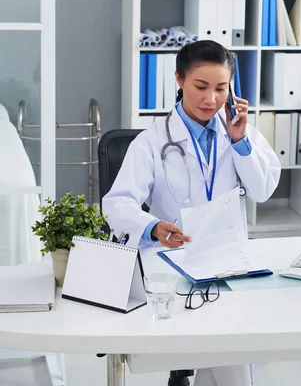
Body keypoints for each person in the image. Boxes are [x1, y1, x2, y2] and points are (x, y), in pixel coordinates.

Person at [103, 40, 281, 386]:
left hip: (227, 262)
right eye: (201, 87)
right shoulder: (152, 142)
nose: (211, 100)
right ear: (179, 80)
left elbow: (262, 191)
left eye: (220, 89)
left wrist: (242, 143)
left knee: (229, 350)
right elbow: (118, 203)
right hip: (174, 263)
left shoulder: (241, 134)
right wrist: (153, 227)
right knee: (231, 357)